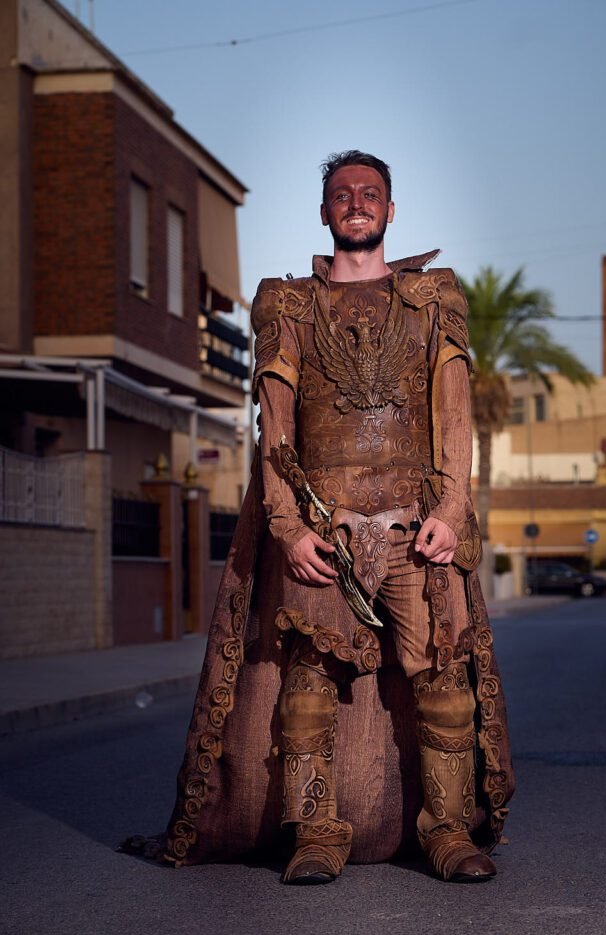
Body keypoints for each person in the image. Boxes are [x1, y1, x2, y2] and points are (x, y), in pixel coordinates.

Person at [122, 151, 513, 884]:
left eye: (370, 194)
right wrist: (288, 528)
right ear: (324, 211)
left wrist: (455, 509)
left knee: (443, 684)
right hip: (319, 527)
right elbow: (274, 432)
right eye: (341, 195)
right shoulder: (285, 303)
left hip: (413, 526)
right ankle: (315, 834)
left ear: (390, 212)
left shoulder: (435, 299)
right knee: (307, 686)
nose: (356, 203)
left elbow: (453, 418)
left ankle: (448, 833)